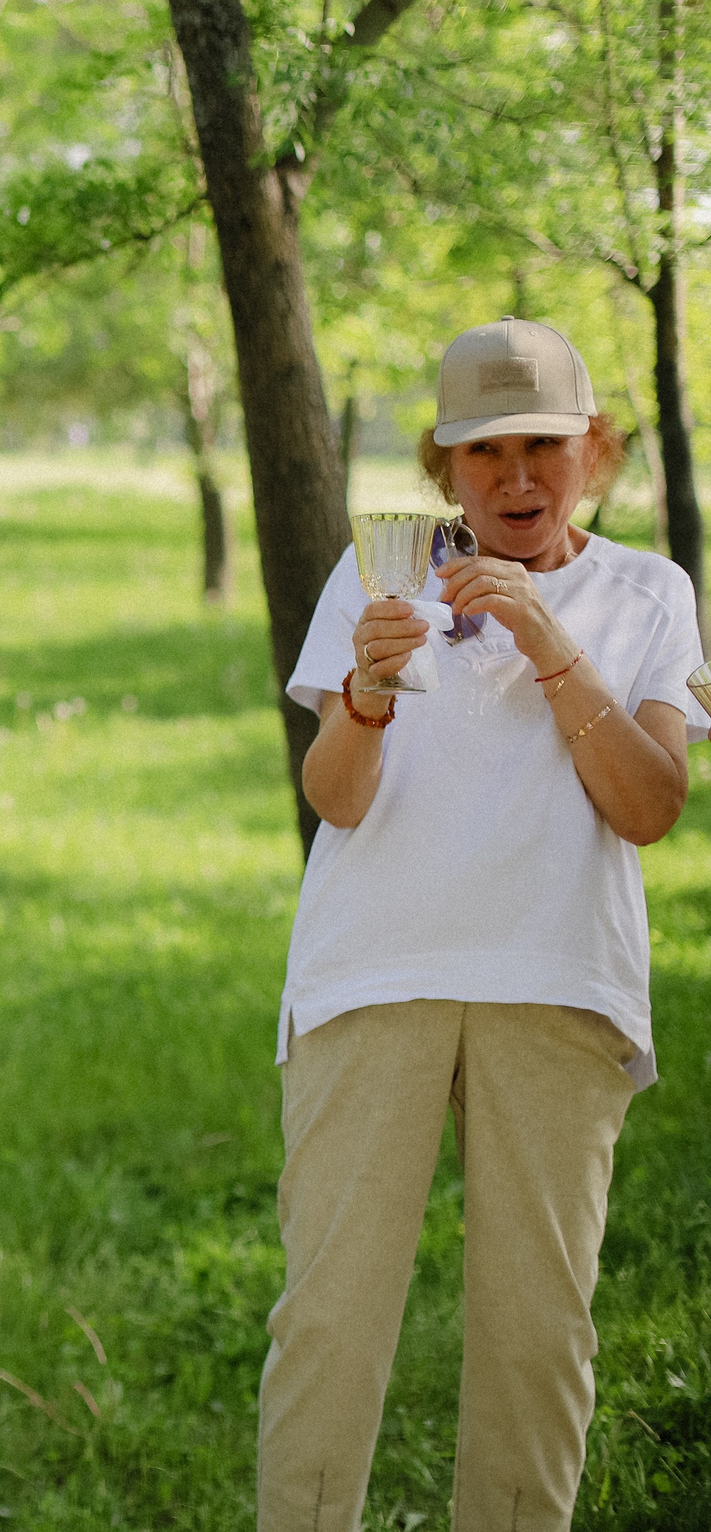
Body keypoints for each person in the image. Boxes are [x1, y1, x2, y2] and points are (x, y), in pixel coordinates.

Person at [263, 317, 703, 1529]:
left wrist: (546, 639)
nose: (515, 477)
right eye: (484, 451)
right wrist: (362, 694)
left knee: (536, 1336)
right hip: (372, 977)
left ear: (594, 452)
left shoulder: (646, 592)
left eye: (544, 447)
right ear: (442, 467)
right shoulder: (375, 573)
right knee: (328, 1323)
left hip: (560, 986)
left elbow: (649, 805)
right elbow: (335, 800)